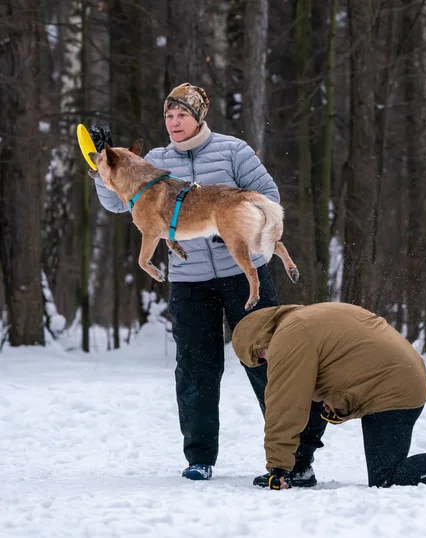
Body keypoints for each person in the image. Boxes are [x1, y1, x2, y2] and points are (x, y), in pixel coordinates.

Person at [91, 82, 327, 485]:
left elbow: (268, 195)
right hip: (190, 283)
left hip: (243, 274)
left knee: (270, 364)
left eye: (182, 114)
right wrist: (101, 163)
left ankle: (297, 456)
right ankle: (200, 457)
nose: (174, 122)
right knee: (196, 370)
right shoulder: (153, 160)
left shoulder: (233, 150)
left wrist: (228, 223)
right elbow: (116, 202)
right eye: (168, 116)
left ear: (200, 117)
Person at [231, 302, 426, 489]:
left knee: (388, 479)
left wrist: (278, 467)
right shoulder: (309, 318)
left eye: (261, 358)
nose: (267, 362)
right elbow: (313, 397)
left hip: (393, 392)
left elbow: (285, 404)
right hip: (406, 378)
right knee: (312, 400)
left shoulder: (288, 336)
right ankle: (301, 468)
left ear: (260, 341)